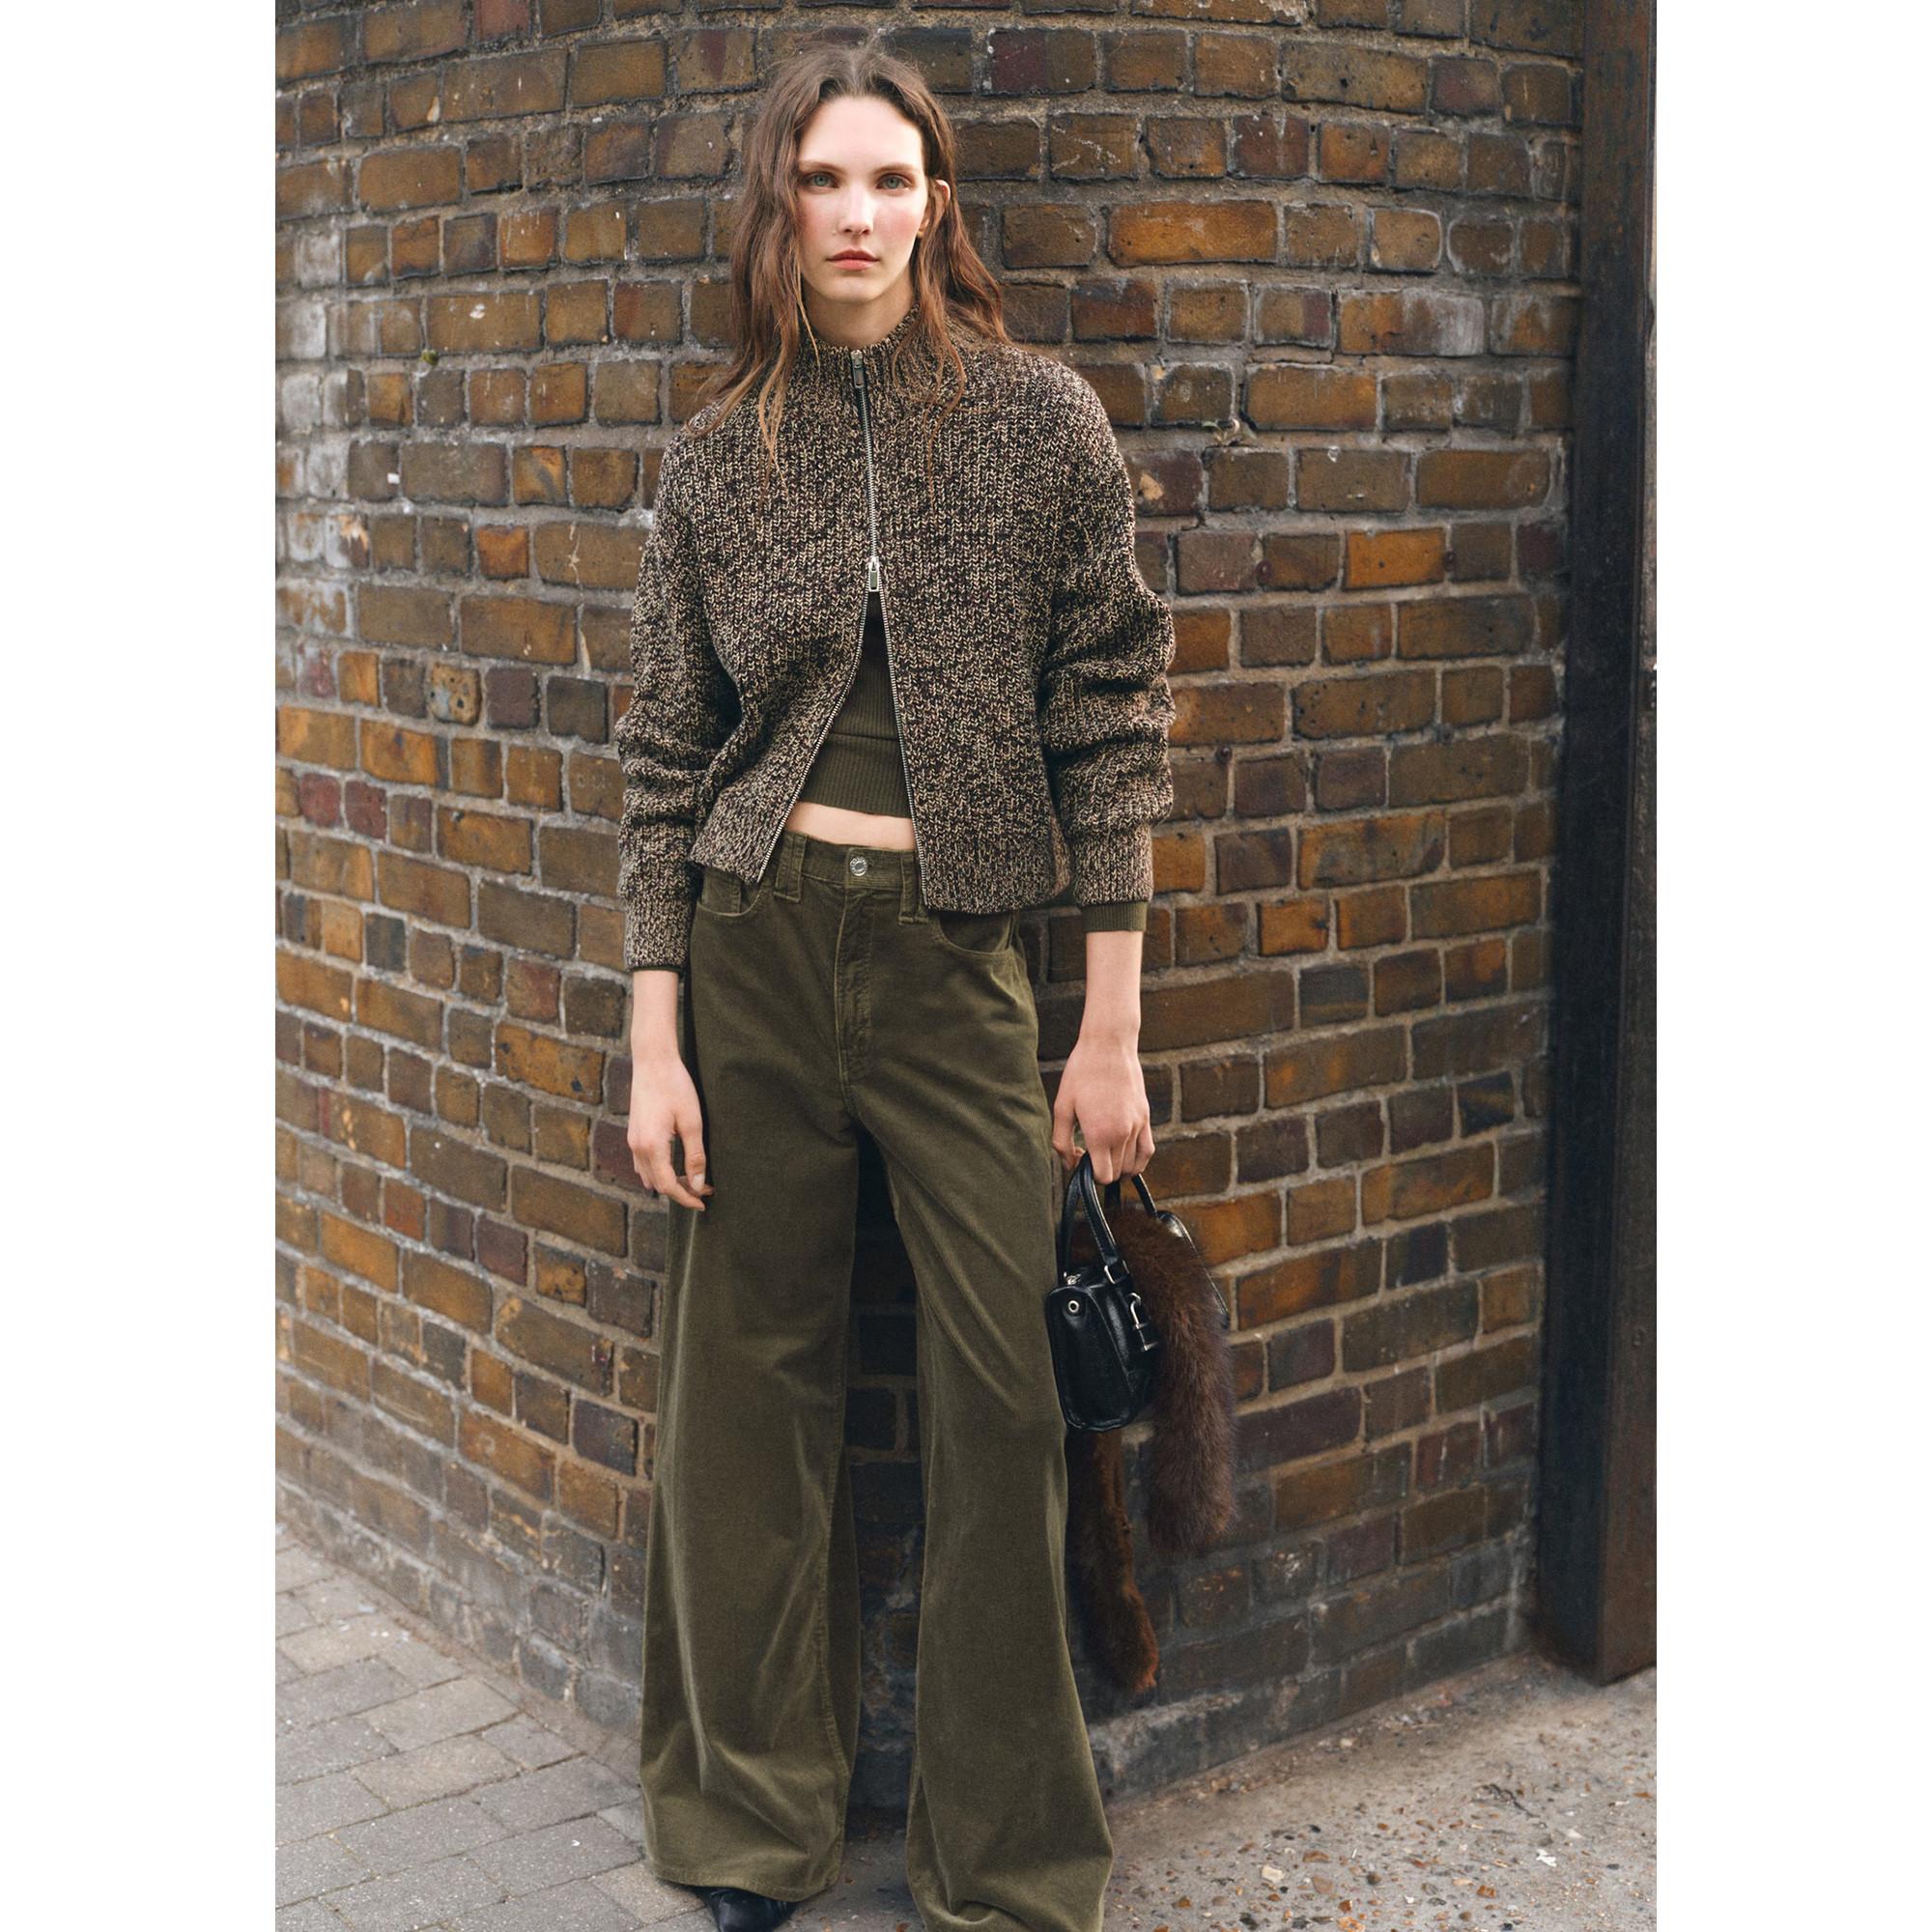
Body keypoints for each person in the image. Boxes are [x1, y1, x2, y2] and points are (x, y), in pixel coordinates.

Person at [614, 41, 1177, 1932]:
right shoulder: (719, 455)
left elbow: (1111, 720)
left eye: (887, 180)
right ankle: (743, 1827)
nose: (855, 215)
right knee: (742, 1400)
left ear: (936, 202)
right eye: (821, 181)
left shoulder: (1039, 424)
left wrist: (1107, 1029)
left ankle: (1004, 1863)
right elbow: (663, 760)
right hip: (756, 948)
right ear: (780, 205)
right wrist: (655, 1041)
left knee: (1005, 1401)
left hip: (959, 965)